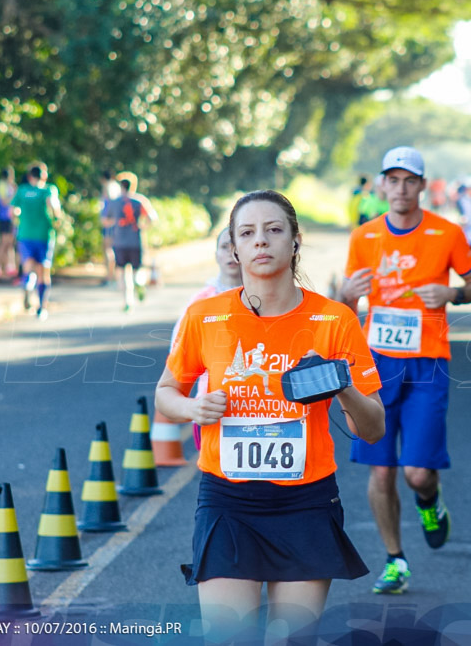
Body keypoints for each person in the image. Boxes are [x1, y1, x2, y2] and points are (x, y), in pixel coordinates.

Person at [156, 190, 385, 642]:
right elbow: (166, 392)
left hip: (306, 505)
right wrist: (192, 408)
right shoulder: (204, 317)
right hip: (228, 503)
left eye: (273, 230)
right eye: (247, 233)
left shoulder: (334, 320)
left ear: (295, 241)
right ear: (234, 248)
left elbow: (372, 429)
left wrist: (342, 385)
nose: (260, 241)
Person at [339, 146, 471, 594]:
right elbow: (347, 307)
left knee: (416, 472)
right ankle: (395, 559)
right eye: (393, 179)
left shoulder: (447, 233)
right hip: (376, 363)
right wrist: (346, 295)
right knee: (380, 470)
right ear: (382, 184)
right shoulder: (364, 237)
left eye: (410, 180)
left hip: (428, 362)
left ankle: (429, 500)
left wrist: (453, 294)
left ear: (422, 185)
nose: (401, 188)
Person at [169, 231, 243, 450]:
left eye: (236, 246)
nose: (231, 254)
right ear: (216, 255)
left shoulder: (269, 297)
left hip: (263, 407)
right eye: (224, 247)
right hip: (214, 410)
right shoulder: (201, 302)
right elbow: (178, 355)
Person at [12, 162, 62, 319]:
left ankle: (27, 284)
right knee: (43, 270)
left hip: (25, 234)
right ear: (44, 176)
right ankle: (41, 307)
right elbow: (53, 205)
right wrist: (57, 219)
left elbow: (13, 211)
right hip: (43, 234)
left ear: (29, 176)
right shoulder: (48, 190)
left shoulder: (22, 190)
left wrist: (17, 222)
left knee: (27, 264)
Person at [102, 178, 152, 312]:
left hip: (119, 241)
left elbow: (105, 220)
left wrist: (117, 222)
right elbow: (151, 218)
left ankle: (127, 301)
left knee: (123, 272)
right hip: (136, 240)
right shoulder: (140, 201)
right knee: (136, 270)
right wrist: (143, 226)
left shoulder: (114, 202)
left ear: (121, 187)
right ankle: (139, 283)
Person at [0, 167, 17, 281]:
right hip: (4, 217)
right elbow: (4, 201)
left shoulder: (9, 186)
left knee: (10, 242)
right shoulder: (2, 185)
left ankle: (9, 266)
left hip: (10, 218)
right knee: (4, 242)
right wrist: (15, 195)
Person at [99, 170, 121, 287]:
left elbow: (111, 203)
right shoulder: (115, 186)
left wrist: (108, 219)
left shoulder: (109, 187)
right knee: (110, 249)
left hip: (109, 223)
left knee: (108, 249)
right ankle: (111, 276)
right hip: (111, 222)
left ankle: (110, 277)